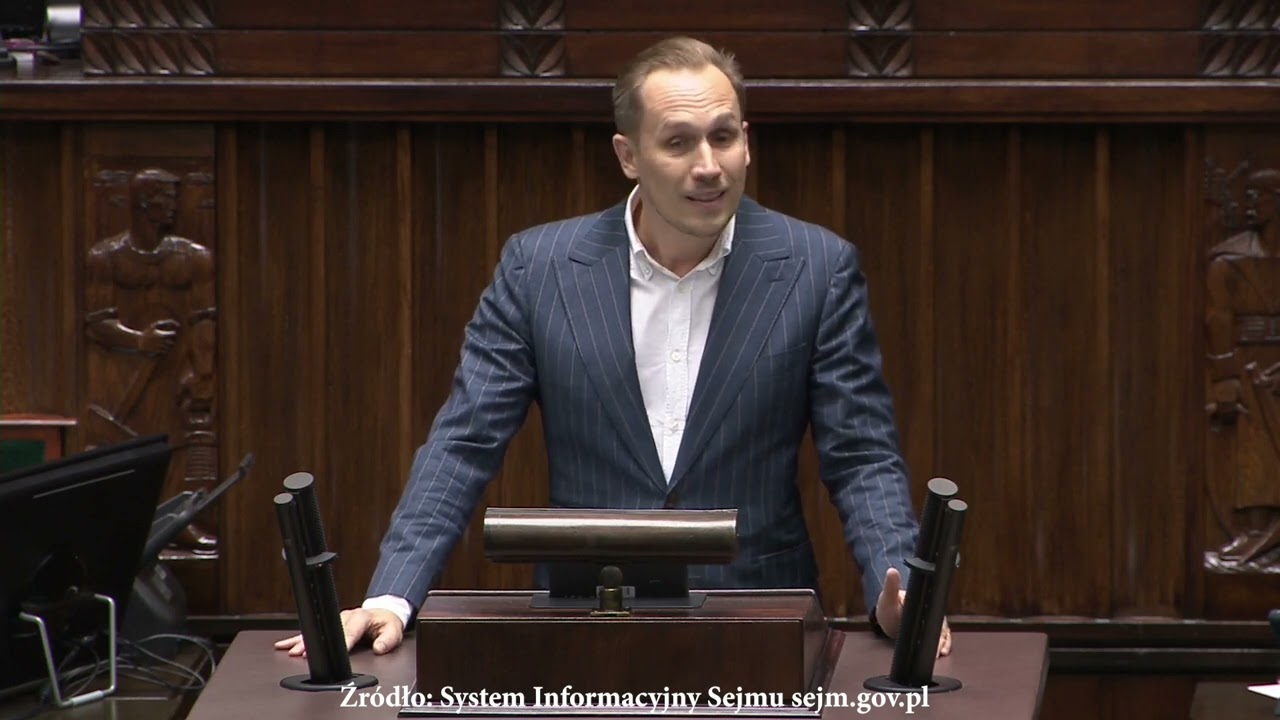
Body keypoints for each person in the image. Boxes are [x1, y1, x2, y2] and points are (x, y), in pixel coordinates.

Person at [276, 36, 947, 658]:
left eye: (723, 137)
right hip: (582, 622)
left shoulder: (816, 269)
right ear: (628, 156)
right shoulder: (539, 269)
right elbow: (464, 442)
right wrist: (393, 595)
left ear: (747, 142)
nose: (708, 166)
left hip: (758, 623)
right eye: (678, 142)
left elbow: (861, 455)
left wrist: (902, 594)